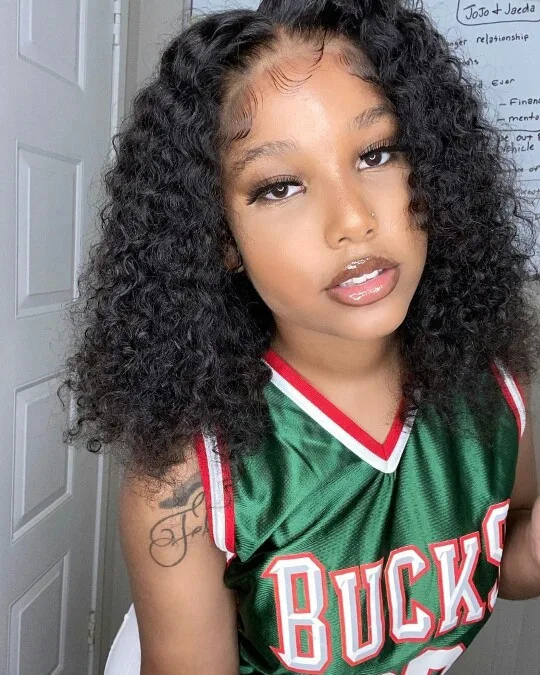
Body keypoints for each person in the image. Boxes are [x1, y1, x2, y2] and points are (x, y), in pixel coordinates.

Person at [61, 0, 540, 672]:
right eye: (280, 187)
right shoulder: (187, 479)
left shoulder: (494, 389)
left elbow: (500, 564)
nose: (352, 220)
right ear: (221, 239)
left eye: (377, 153)